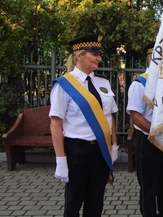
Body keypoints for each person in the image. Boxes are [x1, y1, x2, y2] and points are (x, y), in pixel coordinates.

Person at [49, 34, 118, 217]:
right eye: (94, 53)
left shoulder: (102, 82)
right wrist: (60, 159)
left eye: (99, 54)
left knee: (96, 200)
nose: (99, 58)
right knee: (74, 202)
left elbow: (109, 117)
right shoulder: (64, 85)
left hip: (101, 150)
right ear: (79, 55)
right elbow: (56, 124)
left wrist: (114, 145)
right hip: (77, 150)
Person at [126, 43, 163, 217]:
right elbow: (136, 117)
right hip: (148, 142)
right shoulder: (139, 84)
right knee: (148, 188)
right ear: (149, 58)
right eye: (156, 56)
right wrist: (158, 131)